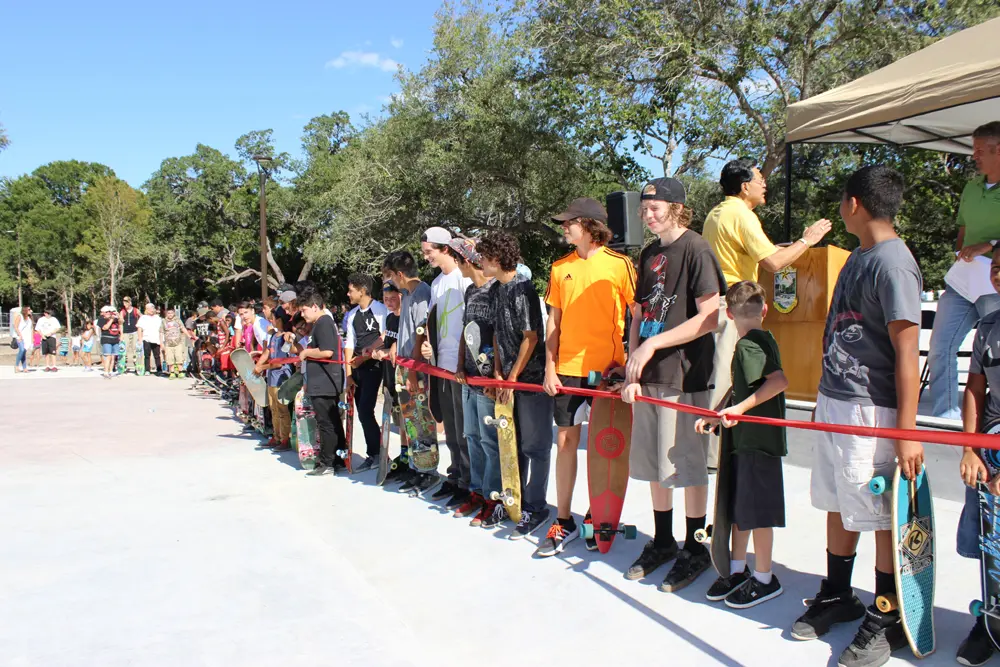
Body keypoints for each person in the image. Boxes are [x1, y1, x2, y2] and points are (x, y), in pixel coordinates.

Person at [791, 165, 922, 667]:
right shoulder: (859, 257)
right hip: (836, 401)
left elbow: (908, 352)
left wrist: (907, 432)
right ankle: (837, 592)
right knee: (836, 501)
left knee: (880, 512)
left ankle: (888, 611)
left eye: (842, 200)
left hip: (872, 410)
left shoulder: (894, 263)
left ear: (854, 205)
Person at [618, 177, 725, 592]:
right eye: (644, 209)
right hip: (650, 373)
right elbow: (640, 312)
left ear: (677, 207)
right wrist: (634, 355)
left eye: (655, 207)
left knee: (687, 463)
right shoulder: (648, 254)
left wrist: (654, 345)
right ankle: (662, 540)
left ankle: (696, 547)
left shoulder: (696, 248)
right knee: (653, 462)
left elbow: (710, 316)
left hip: (685, 372)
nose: (647, 215)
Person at [702, 159, 831, 467]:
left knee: (723, 374)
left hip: (718, 303)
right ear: (745, 186)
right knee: (728, 376)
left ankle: (715, 448)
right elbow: (773, 263)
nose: (765, 185)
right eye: (760, 180)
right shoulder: (741, 215)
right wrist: (807, 241)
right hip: (736, 305)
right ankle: (717, 456)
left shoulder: (717, 213)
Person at [537, 197, 636, 556]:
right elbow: (553, 322)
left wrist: (630, 363)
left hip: (607, 371)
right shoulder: (559, 267)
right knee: (564, 444)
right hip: (566, 370)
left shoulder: (620, 264)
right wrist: (550, 366)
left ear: (590, 225)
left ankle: (599, 515)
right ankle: (563, 520)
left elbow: (637, 312)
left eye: (569, 222)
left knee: (604, 446)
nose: (563, 227)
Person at [694, 281, 788, 608]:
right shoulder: (760, 339)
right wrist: (718, 414)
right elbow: (741, 388)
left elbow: (777, 382)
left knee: (757, 515)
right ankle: (737, 570)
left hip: (758, 444)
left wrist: (738, 410)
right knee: (740, 511)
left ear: (730, 315)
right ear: (764, 309)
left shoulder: (750, 345)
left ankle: (764, 578)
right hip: (746, 442)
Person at [478, 232, 553, 539]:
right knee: (512, 445)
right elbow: (495, 334)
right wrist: (497, 373)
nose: (480, 262)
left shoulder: (524, 289)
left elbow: (532, 337)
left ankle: (536, 508)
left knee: (535, 447)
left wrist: (512, 378)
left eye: (483, 257)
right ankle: (514, 502)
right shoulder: (495, 290)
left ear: (497, 259)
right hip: (507, 380)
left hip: (532, 381)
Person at [927, 122, 1000, 419]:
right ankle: (946, 415)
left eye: (982, 150)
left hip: (994, 283)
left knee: (993, 354)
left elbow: (983, 240)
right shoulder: (971, 188)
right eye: (974, 149)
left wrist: (990, 245)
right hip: (962, 281)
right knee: (940, 345)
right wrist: (961, 253)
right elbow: (963, 229)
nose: (975, 156)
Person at [956, 246, 1000, 667]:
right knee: (990, 545)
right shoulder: (987, 327)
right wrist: (971, 448)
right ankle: (990, 622)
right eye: (998, 268)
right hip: (989, 452)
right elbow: (974, 389)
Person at [419, 226, 474, 508]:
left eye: (429, 252)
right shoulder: (437, 283)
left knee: (465, 430)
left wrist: (465, 362)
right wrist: (429, 347)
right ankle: (454, 477)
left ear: (445, 249)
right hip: (442, 366)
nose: (426, 257)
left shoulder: (465, 279)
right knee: (450, 428)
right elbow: (434, 324)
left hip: (462, 368)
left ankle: (469, 483)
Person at [382, 249, 439, 496]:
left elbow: (420, 333)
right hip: (403, 366)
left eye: (391, 277)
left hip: (415, 369)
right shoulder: (407, 293)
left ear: (400, 274)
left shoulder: (423, 294)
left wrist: (414, 371)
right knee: (411, 423)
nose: (391, 284)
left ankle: (429, 472)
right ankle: (416, 467)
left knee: (422, 422)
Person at [451, 237, 497, 524]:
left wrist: (496, 375)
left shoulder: (497, 289)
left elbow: (499, 336)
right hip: (467, 377)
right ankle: (477, 491)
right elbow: (465, 330)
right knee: (471, 437)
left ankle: (493, 497)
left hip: (488, 380)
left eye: (458, 259)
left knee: (489, 440)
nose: (457, 264)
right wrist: (458, 365)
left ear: (467, 260)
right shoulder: (469, 291)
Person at [299, 290, 349, 476]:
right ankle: (338, 458)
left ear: (314, 306)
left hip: (325, 381)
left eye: (304, 310)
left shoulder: (323, 323)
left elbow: (327, 352)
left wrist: (306, 353)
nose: (302, 315)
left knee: (326, 423)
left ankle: (327, 463)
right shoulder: (319, 324)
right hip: (321, 380)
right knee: (333, 421)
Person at [344, 273, 389, 473]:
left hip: (375, 366)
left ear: (362, 291)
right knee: (362, 412)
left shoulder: (380, 309)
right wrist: (348, 374)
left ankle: (379, 454)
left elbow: (385, 336)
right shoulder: (352, 315)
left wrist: (368, 353)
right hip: (358, 367)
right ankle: (375, 453)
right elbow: (349, 344)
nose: (348, 294)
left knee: (365, 410)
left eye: (351, 290)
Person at [373, 282, 408, 484]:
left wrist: (386, 351)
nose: (389, 302)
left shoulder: (405, 318)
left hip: (403, 379)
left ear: (401, 296)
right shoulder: (389, 318)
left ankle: (411, 457)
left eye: (392, 298)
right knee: (398, 421)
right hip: (389, 377)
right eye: (386, 299)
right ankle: (403, 455)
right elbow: (387, 340)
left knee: (407, 420)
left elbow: (403, 346)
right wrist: (377, 350)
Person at [256, 310, 295, 451]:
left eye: (272, 318)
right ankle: (276, 436)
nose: (270, 321)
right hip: (271, 378)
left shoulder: (285, 337)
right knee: (273, 409)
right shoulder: (273, 336)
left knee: (283, 410)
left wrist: (262, 367)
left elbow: (280, 362)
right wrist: (259, 364)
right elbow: (267, 352)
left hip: (281, 379)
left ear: (279, 320)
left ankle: (285, 438)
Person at [161, 307, 188, 378]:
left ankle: (180, 372)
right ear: (166, 314)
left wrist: (188, 335)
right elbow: (161, 332)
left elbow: (183, 328)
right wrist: (161, 343)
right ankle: (172, 372)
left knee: (179, 357)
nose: (170, 314)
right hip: (168, 344)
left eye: (171, 313)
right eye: (168, 313)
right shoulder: (163, 321)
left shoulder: (178, 320)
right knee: (170, 359)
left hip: (178, 343)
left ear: (174, 313)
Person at [137, 303, 163, 376]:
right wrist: (139, 339)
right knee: (147, 355)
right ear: (147, 310)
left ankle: (159, 369)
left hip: (156, 339)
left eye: (153, 308)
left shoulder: (158, 318)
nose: (152, 310)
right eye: (150, 308)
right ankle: (147, 370)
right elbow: (139, 328)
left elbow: (161, 329)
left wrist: (162, 340)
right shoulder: (143, 318)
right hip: (146, 338)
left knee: (157, 355)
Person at [96, 306, 121, 379]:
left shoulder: (115, 318)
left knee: (113, 356)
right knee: (108, 355)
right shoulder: (101, 319)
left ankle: (111, 371)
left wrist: (118, 316)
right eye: (107, 312)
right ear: (103, 313)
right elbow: (105, 327)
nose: (109, 313)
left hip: (115, 339)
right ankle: (106, 371)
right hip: (106, 339)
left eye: (109, 312)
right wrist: (111, 320)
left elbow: (122, 322)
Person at [119, 296, 142, 373]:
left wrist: (140, 331)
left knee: (136, 350)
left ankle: (137, 366)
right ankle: (123, 367)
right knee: (124, 350)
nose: (125, 303)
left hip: (134, 332)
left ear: (130, 302)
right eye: (124, 302)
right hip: (126, 332)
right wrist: (121, 334)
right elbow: (120, 324)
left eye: (126, 302)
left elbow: (142, 318)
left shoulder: (135, 310)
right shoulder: (122, 311)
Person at [35, 308, 61, 372]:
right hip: (44, 337)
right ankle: (47, 366)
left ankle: (54, 366)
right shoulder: (41, 320)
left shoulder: (54, 319)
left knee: (52, 352)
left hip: (52, 337)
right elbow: (37, 329)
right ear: (45, 313)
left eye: (50, 314)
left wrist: (51, 333)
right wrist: (42, 335)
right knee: (46, 352)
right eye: (48, 314)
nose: (49, 315)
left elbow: (58, 328)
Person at [11, 305, 33, 373]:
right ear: (25, 310)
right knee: (22, 350)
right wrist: (20, 335)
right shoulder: (19, 316)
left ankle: (24, 368)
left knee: (24, 352)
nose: (30, 311)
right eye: (29, 309)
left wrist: (32, 338)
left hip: (27, 337)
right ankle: (16, 366)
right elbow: (15, 326)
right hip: (20, 336)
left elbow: (31, 329)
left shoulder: (29, 319)